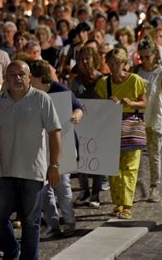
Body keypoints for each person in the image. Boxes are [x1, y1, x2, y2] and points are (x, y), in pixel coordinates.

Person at [0, 60, 62, 259]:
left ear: (29, 77)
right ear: (5, 78)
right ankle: (12, 249)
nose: (17, 78)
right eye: (12, 74)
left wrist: (54, 165)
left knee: (31, 223)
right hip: (3, 171)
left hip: (33, 172)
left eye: (21, 74)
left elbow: (54, 132)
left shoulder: (42, 99)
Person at [28, 59, 82, 237]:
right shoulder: (30, 93)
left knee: (62, 185)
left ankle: (69, 221)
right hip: (39, 146)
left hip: (61, 143)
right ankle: (53, 224)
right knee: (44, 189)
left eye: (31, 77)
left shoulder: (61, 90)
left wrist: (75, 116)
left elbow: (78, 107)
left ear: (39, 78)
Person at [95, 47, 147, 219]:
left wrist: (131, 102)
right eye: (111, 63)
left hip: (132, 128)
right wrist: (107, 103)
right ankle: (118, 202)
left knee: (130, 168)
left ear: (124, 63)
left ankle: (127, 205)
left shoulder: (135, 80)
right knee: (113, 168)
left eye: (117, 63)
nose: (114, 67)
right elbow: (97, 108)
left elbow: (145, 103)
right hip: (111, 127)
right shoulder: (104, 83)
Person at [135, 38, 162, 202]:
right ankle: (137, 183)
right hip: (140, 116)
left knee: (154, 153)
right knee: (136, 152)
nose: (144, 60)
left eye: (147, 56)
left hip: (156, 114)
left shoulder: (161, 72)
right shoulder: (136, 71)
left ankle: (154, 185)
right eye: (141, 57)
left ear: (154, 54)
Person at [70, 46, 104, 207]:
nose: (84, 62)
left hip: (98, 124)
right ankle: (84, 192)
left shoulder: (102, 79)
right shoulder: (76, 81)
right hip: (81, 124)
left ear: (94, 59)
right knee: (81, 157)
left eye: (87, 58)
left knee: (98, 157)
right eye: (81, 59)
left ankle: (96, 194)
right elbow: (72, 100)